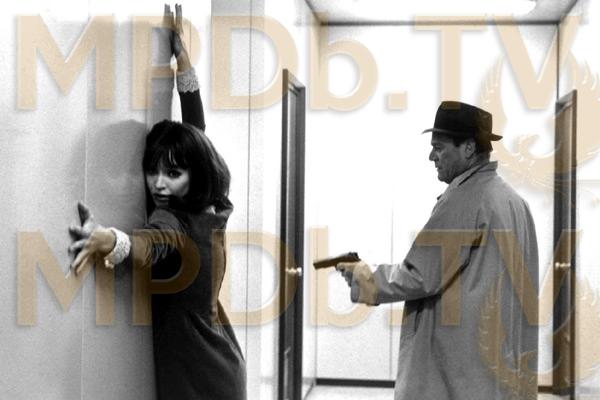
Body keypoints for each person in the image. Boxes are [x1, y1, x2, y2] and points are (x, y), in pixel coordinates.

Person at [67, 5, 246, 399]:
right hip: (221, 354)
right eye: (152, 171)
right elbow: (196, 133)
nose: (159, 184)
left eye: (172, 173)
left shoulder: (174, 220)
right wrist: (183, 64)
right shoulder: (212, 204)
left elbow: (151, 244)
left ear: (193, 173)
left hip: (197, 369)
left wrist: (109, 239)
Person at [336, 101, 539, 399]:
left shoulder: (465, 199)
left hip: (460, 369)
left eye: (439, 147)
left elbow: (420, 276)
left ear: (468, 148)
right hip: (496, 367)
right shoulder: (514, 202)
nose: (431, 156)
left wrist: (363, 276)